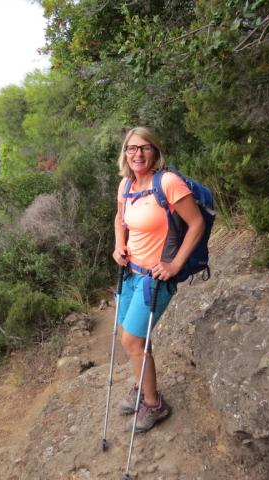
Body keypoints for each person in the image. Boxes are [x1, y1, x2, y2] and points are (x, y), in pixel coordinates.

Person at [112, 126, 204, 432]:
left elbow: (196, 223)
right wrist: (119, 245)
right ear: (125, 153)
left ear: (155, 151)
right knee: (130, 335)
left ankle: (154, 404)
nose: (137, 154)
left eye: (145, 147)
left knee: (132, 340)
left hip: (155, 279)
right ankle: (143, 384)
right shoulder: (126, 184)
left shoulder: (167, 183)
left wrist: (175, 264)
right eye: (132, 148)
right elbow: (120, 218)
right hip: (130, 273)